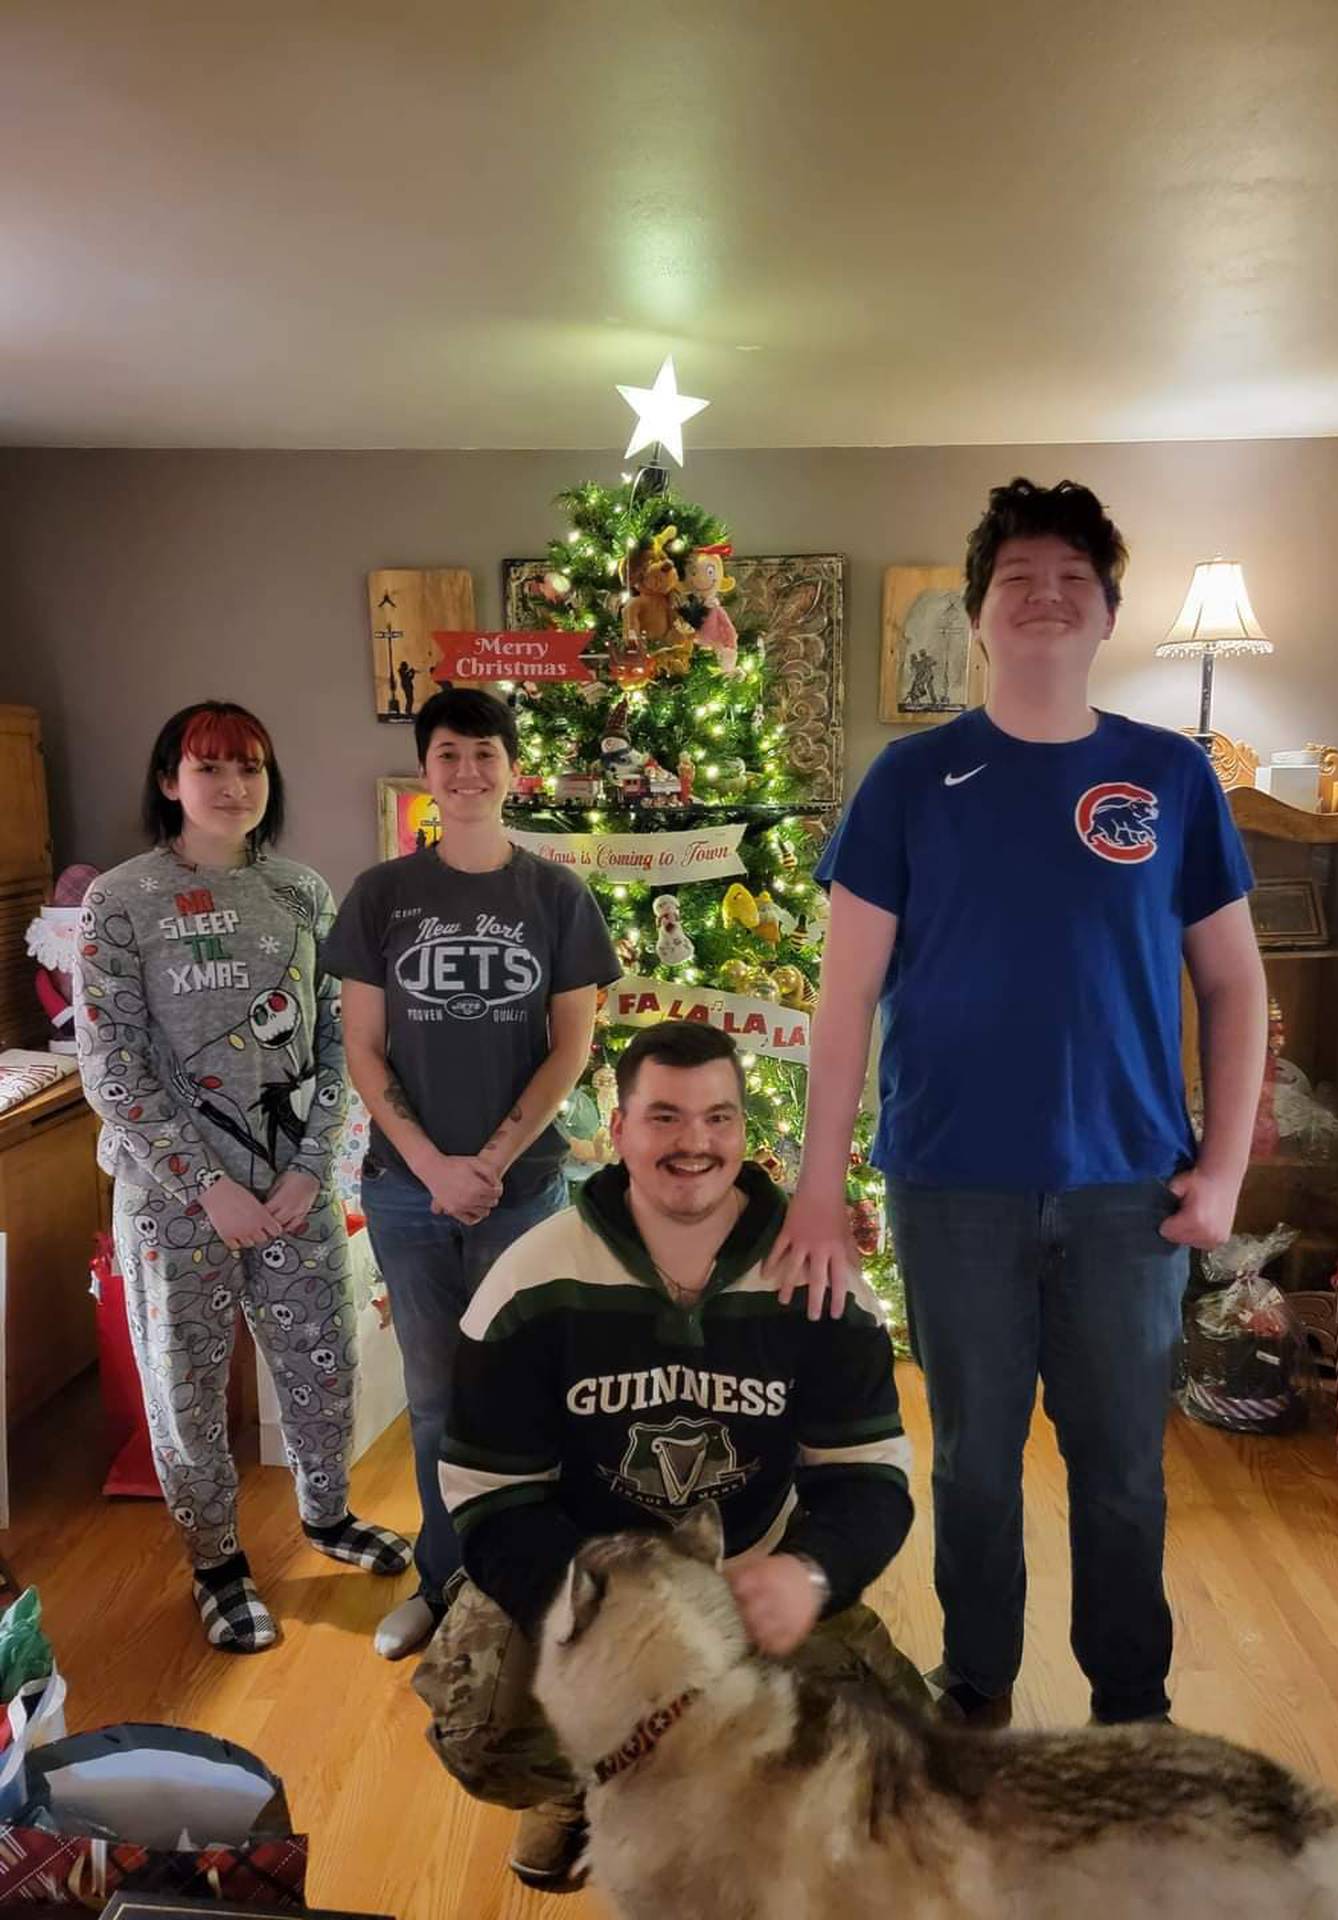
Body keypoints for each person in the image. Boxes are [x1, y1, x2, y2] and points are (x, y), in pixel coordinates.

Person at [767, 478, 1268, 1730]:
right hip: (953, 1189)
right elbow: (843, 1007)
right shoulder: (908, 780)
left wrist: (1223, 1172)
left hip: (1127, 1197)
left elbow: (1236, 988)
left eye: (1072, 581)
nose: (1045, 597)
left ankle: (1131, 1711)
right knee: (977, 1469)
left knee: (1121, 1480)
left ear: (1107, 614)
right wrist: (819, 1190)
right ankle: (977, 1688)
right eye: (1017, 581)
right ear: (980, 616)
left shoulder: (1169, 778)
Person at [414, 1020, 924, 1894]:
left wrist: (810, 1574)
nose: (695, 1143)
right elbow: (490, 1499)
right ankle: (588, 1784)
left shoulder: (820, 1282)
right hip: (591, 1589)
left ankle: (729, 1802)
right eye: (665, 1117)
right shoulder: (530, 1282)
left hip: (751, 1575)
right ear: (618, 1131)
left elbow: (871, 1480)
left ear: (742, 1131)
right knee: (484, 1733)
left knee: (903, 1758)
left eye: (718, 1118)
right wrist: (600, 1623)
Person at [74, 701, 411, 1654]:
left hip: (293, 1193)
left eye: (251, 767)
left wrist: (309, 1169)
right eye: (211, 766)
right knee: (184, 1385)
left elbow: (342, 1039)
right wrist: (203, 1187)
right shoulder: (120, 899)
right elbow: (111, 1066)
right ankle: (216, 1563)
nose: (234, 786)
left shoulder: (304, 892)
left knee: (322, 1366)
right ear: (170, 781)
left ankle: (327, 1515)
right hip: (175, 1204)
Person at [321, 687, 620, 1659]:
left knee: (527, 1391)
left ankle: (530, 1587)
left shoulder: (555, 895)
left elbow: (570, 1047)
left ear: (511, 769)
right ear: (428, 768)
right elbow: (362, 1049)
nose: (467, 771)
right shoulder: (379, 896)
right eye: (448, 753)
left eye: (484, 753)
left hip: (520, 1188)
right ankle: (444, 1584)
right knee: (439, 1397)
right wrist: (429, 1165)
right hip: (407, 1196)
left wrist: (487, 1161)